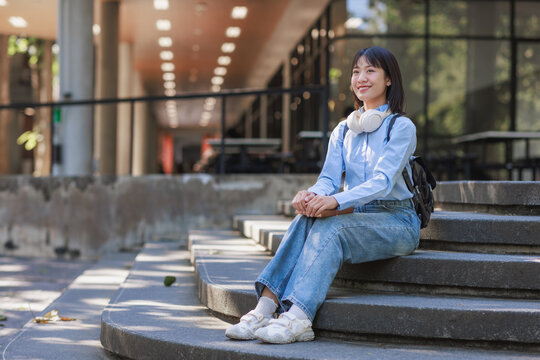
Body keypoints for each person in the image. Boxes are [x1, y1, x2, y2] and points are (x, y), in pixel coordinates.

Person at [225, 46, 420, 344]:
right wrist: (310, 195)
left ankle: (299, 318)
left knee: (333, 225)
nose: (361, 78)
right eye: (356, 71)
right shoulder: (344, 130)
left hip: (397, 219)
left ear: (389, 79)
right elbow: (328, 179)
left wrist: (336, 201)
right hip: (357, 214)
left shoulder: (401, 127)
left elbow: (382, 182)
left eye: (370, 71)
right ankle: (264, 309)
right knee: (305, 219)